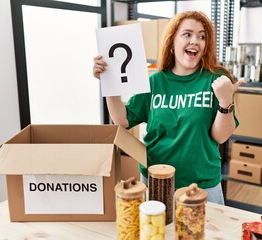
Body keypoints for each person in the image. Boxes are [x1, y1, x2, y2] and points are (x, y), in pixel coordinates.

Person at [93, 11, 245, 205]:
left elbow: (220, 137)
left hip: (202, 186)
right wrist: (109, 82)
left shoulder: (215, 80)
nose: (195, 41)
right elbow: (122, 119)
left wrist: (225, 102)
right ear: (172, 43)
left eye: (201, 36)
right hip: (156, 180)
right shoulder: (155, 81)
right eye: (187, 34)